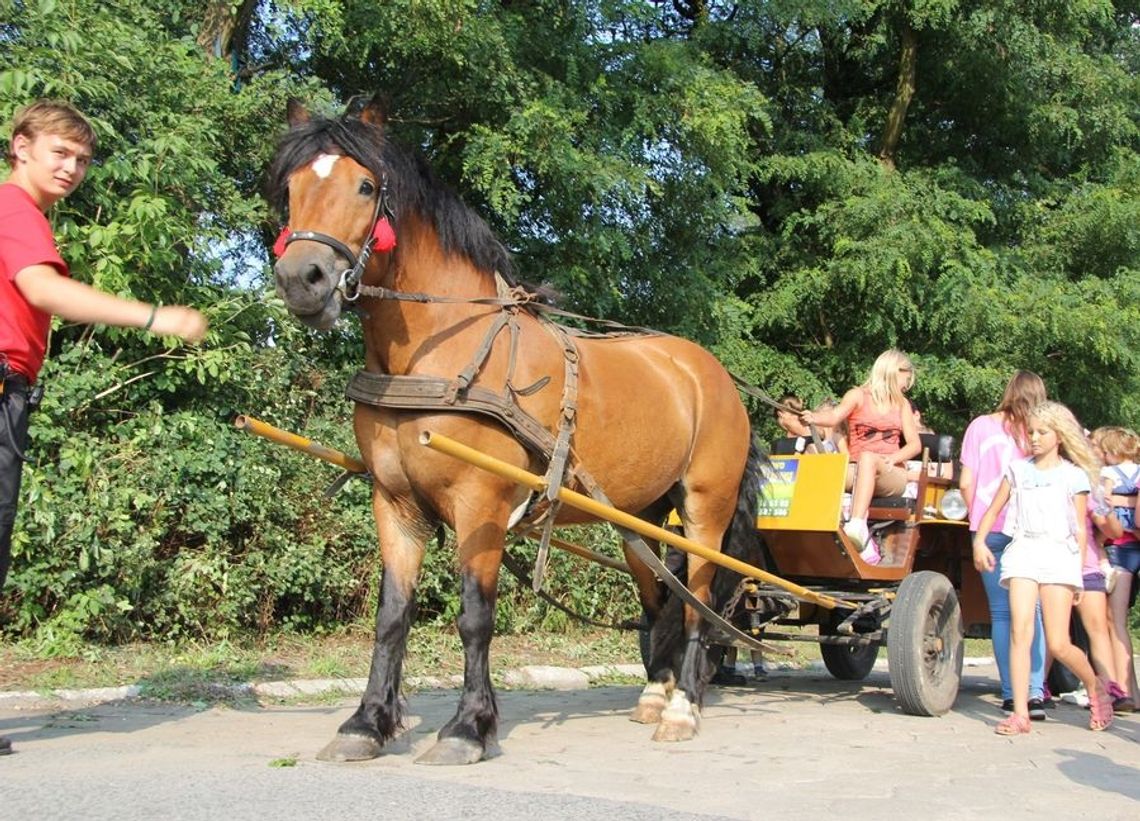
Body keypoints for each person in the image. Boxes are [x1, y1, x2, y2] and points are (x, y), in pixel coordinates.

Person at [1, 100, 207, 756]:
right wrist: (155, 317)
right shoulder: (14, 211)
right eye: (59, 152)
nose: (72, 167)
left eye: (82, 159)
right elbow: (43, 291)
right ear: (21, 146)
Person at [973, 401, 1112, 735]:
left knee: (1058, 644)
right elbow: (992, 511)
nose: (1034, 438)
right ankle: (1020, 713)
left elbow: (1080, 527)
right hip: (1023, 550)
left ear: (1059, 436)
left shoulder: (1073, 476)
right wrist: (979, 542)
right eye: (1030, 432)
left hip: (1058, 555)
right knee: (1021, 632)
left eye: (1041, 432)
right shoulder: (1018, 470)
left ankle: (1096, 687)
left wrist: (1077, 575)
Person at [960, 371, 1049, 718]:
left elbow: (967, 482)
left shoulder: (980, 426)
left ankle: (1012, 694)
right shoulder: (1039, 433)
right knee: (1033, 611)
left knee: (1001, 612)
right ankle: (1035, 692)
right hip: (1030, 529)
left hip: (988, 529)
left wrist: (977, 520)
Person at [800, 349, 921, 563]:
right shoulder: (857, 395)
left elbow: (915, 445)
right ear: (895, 371)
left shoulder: (901, 404)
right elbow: (835, 416)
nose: (906, 384)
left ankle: (857, 525)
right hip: (859, 469)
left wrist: (893, 458)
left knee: (867, 457)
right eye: (907, 378)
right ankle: (816, 530)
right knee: (820, 466)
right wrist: (814, 417)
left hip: (890, 472)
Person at [1091, 426, 1140, 712]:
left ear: (1110, 451)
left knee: (1115, 621)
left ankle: (1123, 691)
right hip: (1136, 543)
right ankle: (1132, 691)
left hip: (1119, 548)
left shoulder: (1108, 475)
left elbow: (1102, 506)